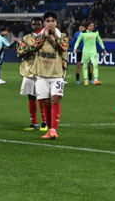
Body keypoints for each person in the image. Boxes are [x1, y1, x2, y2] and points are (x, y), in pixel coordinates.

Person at [29, 11, 69, 140]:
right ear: (44, 23)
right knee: (46, 102)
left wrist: (53, 37)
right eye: (48, 21)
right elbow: (33, 47)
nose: (50, 23)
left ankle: (53, 130)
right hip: (41, 74)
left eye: (52, 21)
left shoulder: (62, 36)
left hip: (57, 74)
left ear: (56, 23)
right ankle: (49, 130)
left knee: (55, 100)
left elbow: (63, 47)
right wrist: (44, 37)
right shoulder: (38, 36)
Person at [16, 17, 49, 132]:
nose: (36, 26)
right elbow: (19, 53)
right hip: (28, 70)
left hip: (42, 70)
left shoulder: (47, 37)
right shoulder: (26, 38)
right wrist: (28, 50)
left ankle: (44, 123)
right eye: (34, 24)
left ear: (42, 24)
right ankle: (33, 123)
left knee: (42, 96)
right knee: (31, 96)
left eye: (38, 24)